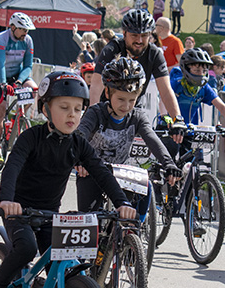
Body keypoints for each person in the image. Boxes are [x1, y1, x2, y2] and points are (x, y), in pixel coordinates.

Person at [0, 71, 136, 288]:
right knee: (26, 248)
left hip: (50, 214)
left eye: (78, 108)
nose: (72, 114)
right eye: (64, 107)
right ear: (45, 108)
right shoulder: (31, 138)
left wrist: (122, 203)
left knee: (68, 264)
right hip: (20, 212)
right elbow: (12, 168)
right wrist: (7, 200)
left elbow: (101, 173)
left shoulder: (79, 144)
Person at [75, 57, 181, 218]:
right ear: (108, 93)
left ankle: (134, 231)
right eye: (121, 99)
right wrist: (79, 159)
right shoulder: (95, 113)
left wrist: (169, 164)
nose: (126, 106)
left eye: (132, 100)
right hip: (91, 171)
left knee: (146, 187)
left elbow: (152, 140)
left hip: (120, 172)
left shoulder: (137, 117)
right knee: (89, 222)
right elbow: (80, 134)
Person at [89, 9, 181, 121]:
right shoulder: (112, 50)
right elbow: (96, 86)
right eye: (134, 35)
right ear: (124, 34)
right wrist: (92, 115)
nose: (139, 40)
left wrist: (177, 119)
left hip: (132, 111)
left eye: (144, 35)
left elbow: (166, 90)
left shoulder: (154, 54)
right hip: (106, 109)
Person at [165, 47, 225, 160]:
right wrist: (165, 116)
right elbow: (164, 99)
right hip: (170, 127)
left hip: (189, 130)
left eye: (204, 71)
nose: (201, 74)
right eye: (197, 71)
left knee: (193, 161)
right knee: (169, 164)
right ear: (186, 69)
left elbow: (221, 106)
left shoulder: (204, 88)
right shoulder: (177, 83)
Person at [0, 11, 38, 165]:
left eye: (27, 30)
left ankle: (17, 117)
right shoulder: (1, 39)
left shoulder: (27, 40)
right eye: (23, 30)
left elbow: (28, 66)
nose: (25, 33)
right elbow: (0, 64)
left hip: (16, 75)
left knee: (33, 89)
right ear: (13, 27)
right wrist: (3, 85)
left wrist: (20, 82)